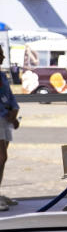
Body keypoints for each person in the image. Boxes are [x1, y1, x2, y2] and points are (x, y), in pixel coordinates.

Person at [0, 46, 20, 210]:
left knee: (3, 159)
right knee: (1, 157)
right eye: (0, 54)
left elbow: (10, 96)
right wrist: (7, 113)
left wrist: (14, 111)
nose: (3, 57)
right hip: (1, 118)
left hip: (6, 120)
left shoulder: (2, 75)